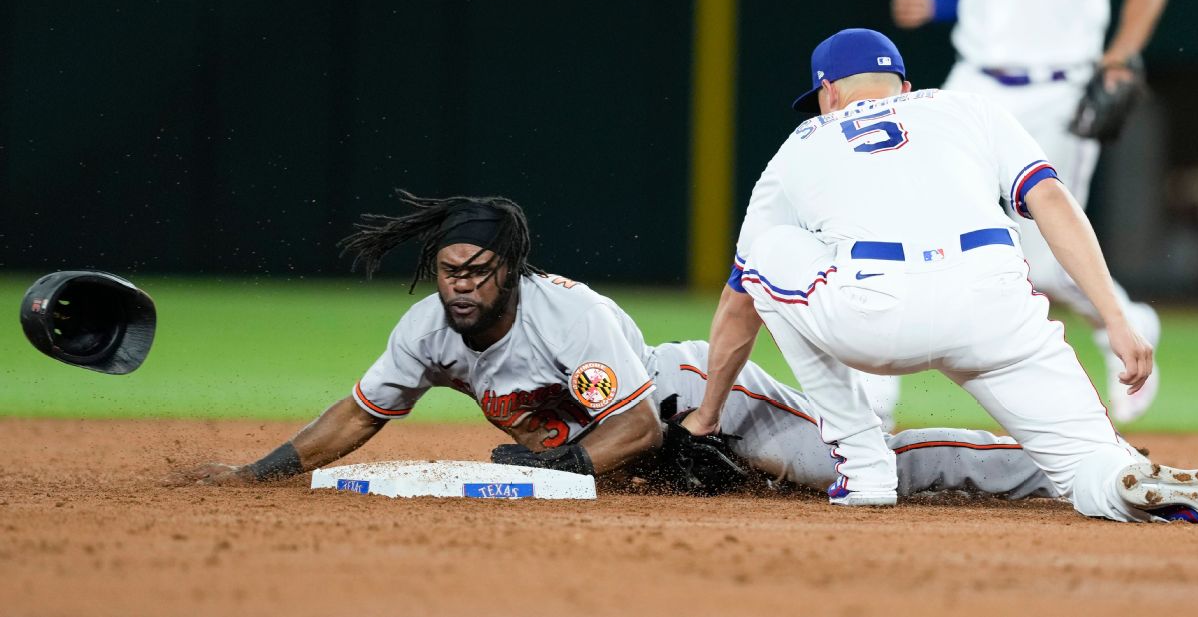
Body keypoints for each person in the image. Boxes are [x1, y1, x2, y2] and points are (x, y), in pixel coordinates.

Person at [681, 28, 1198, 524]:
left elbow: (739, 307)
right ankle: (1117, 481)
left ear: (827, 93)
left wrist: (706, 418)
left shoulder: (799, 146)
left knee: (764, 254)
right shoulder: (967, 109)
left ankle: (864, 471)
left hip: (877, 317)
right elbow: (1053, 202)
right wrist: (1116, 318)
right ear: (905, 88)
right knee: (1088, 464)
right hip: (996, 307)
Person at [187, 192, 1057, 501]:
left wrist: (547, 469)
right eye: (448, 268)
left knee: (866, 470)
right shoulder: (424, 333)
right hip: (621, 451)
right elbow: (358, 414)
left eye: (479, 269)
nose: (460, 283)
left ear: (511, 270)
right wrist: (260, 472)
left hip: (700, 407)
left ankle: (1058, 464)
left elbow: (638, 429)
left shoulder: (569, 316)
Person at [888, 0, 1171, 424]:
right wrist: (931, 4)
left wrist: (1119, 55)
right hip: (973, 81)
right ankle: (875, 388)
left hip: (1059, 86)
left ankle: (1126, 320)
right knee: (915, 214)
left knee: (1044, 261)